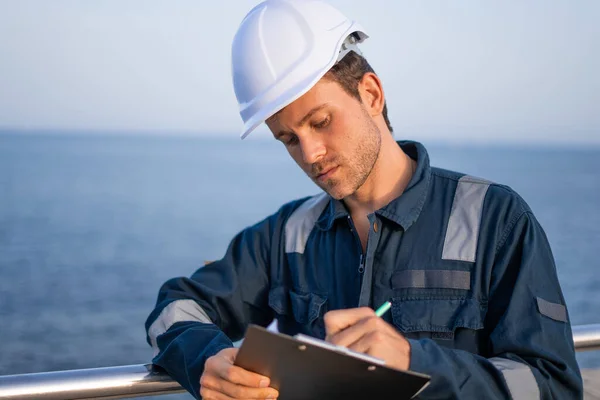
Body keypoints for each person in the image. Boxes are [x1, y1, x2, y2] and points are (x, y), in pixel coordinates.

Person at [145, 0, 583, 398]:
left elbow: (552, 386)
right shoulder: (286, 236)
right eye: (288, 140)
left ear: (371, 94)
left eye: (320, 121)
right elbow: (176, 306)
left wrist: (415, 362)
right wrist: (205, 359)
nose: (310, 154)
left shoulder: (496, 219)